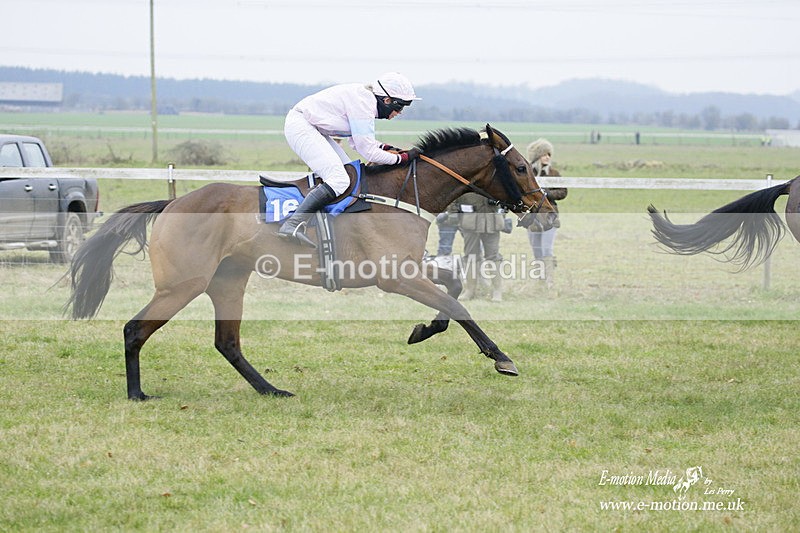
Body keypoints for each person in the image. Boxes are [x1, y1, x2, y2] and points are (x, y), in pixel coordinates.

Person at [279, 72, 422, 247]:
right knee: (339, 180)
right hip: (302, 127)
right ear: (386, 100)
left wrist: (388, 149)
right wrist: (402, 159)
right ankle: (292, 224)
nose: (399, 113)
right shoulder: (364, 104)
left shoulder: (366, 102)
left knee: (350, 175)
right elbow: (368, 152)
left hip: (312, 128)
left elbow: (357, 142)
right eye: (400, 107)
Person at [526, 138, 567, 291]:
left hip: (550, 216)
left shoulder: (554, 173)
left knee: (547, 249)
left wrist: (546, 194)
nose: (547, 157)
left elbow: (563, 192)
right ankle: (540, 281)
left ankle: (550, 282)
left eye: (549, 154)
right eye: (544, 154)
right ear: (537, 156)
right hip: (532, 218)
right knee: (536, 250)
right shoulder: (527, 173)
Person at [456, 192, 507, 302]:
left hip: (492, 221)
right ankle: (469, 290)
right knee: (470, 256)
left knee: (493, 256)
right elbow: (454, 199)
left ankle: (497, 291)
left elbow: (507, 200)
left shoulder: (496, 179)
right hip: (470, 222)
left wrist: (502, 213)